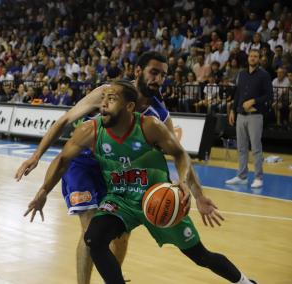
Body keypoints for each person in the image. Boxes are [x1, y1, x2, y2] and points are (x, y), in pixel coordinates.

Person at [16, 51, 220, 284]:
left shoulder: (159, 114)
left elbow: (179, 155)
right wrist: (36, 156)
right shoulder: (108, 93)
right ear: (137, 72)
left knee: (122, 234)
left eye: (163, 75)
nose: (159, 79)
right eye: (154, 72)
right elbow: (65, 120)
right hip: (82, 164)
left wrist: (199, 195)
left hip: (116, 170)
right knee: (91, 230)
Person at [226, 49, 273, 188]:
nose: (253, 58)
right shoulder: (241, 74)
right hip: (240, 115)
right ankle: (242, 176)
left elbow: (269, 95)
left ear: (259, 59)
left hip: (255, 116)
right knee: (241, 147)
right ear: (248, 58)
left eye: (256, 56)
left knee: (256, 148)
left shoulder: (264, 75)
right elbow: (238, 94)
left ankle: (258, 177)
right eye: (251, 56)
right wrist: (233, 111)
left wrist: (254, 101)